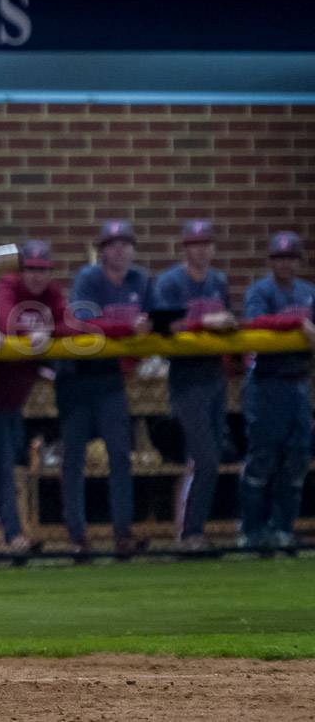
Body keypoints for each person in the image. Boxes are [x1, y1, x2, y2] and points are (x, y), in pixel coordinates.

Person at [55, 220, 152, 559]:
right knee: (74, 459)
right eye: (112, 244)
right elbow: (82, 321)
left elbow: (153, 321)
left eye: (125, 243)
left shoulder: (140, 280)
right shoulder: (88, 278)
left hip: (111, 377)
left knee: (119, 456)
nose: (120, 250)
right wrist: (127, 328)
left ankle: (122, 532)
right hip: (77, 376)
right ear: (102, 250)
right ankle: (77, 536)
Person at [152, 220, 236, 552]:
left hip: (215, 375)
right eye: (195, 244)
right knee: (203, 458)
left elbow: (226, 317)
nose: (201, 250)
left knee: (212, 457)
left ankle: (193, 532)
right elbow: (165, 327)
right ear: (185, 249)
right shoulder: (171, 282)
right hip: (186, 378)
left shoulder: (218, 281)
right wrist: (205, 322)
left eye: (206, 244)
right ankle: (189, 533)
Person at [0, 240, 65, 554]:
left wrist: (50, 330)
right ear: (20, 269)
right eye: (31, 269)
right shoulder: (5, 287)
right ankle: (5, 534)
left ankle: (5, 532)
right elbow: (3, 323)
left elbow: (69, 322)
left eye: (43, 270)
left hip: (14, 399)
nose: (38, 276)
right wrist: (35, 334)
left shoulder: (50, 293)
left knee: (9, 462)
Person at [238, 232, 315, 550]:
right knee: (263, 458)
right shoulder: (260, 291)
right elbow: (256, 322)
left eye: (291, 258)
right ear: (272, 262)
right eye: (280, 258)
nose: (285, 264)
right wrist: (298, 324)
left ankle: (282, 529)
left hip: (299, 383)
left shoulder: (308, 292)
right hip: (267, 383)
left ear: (298, 261)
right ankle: (251, 531)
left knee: (296, 458)